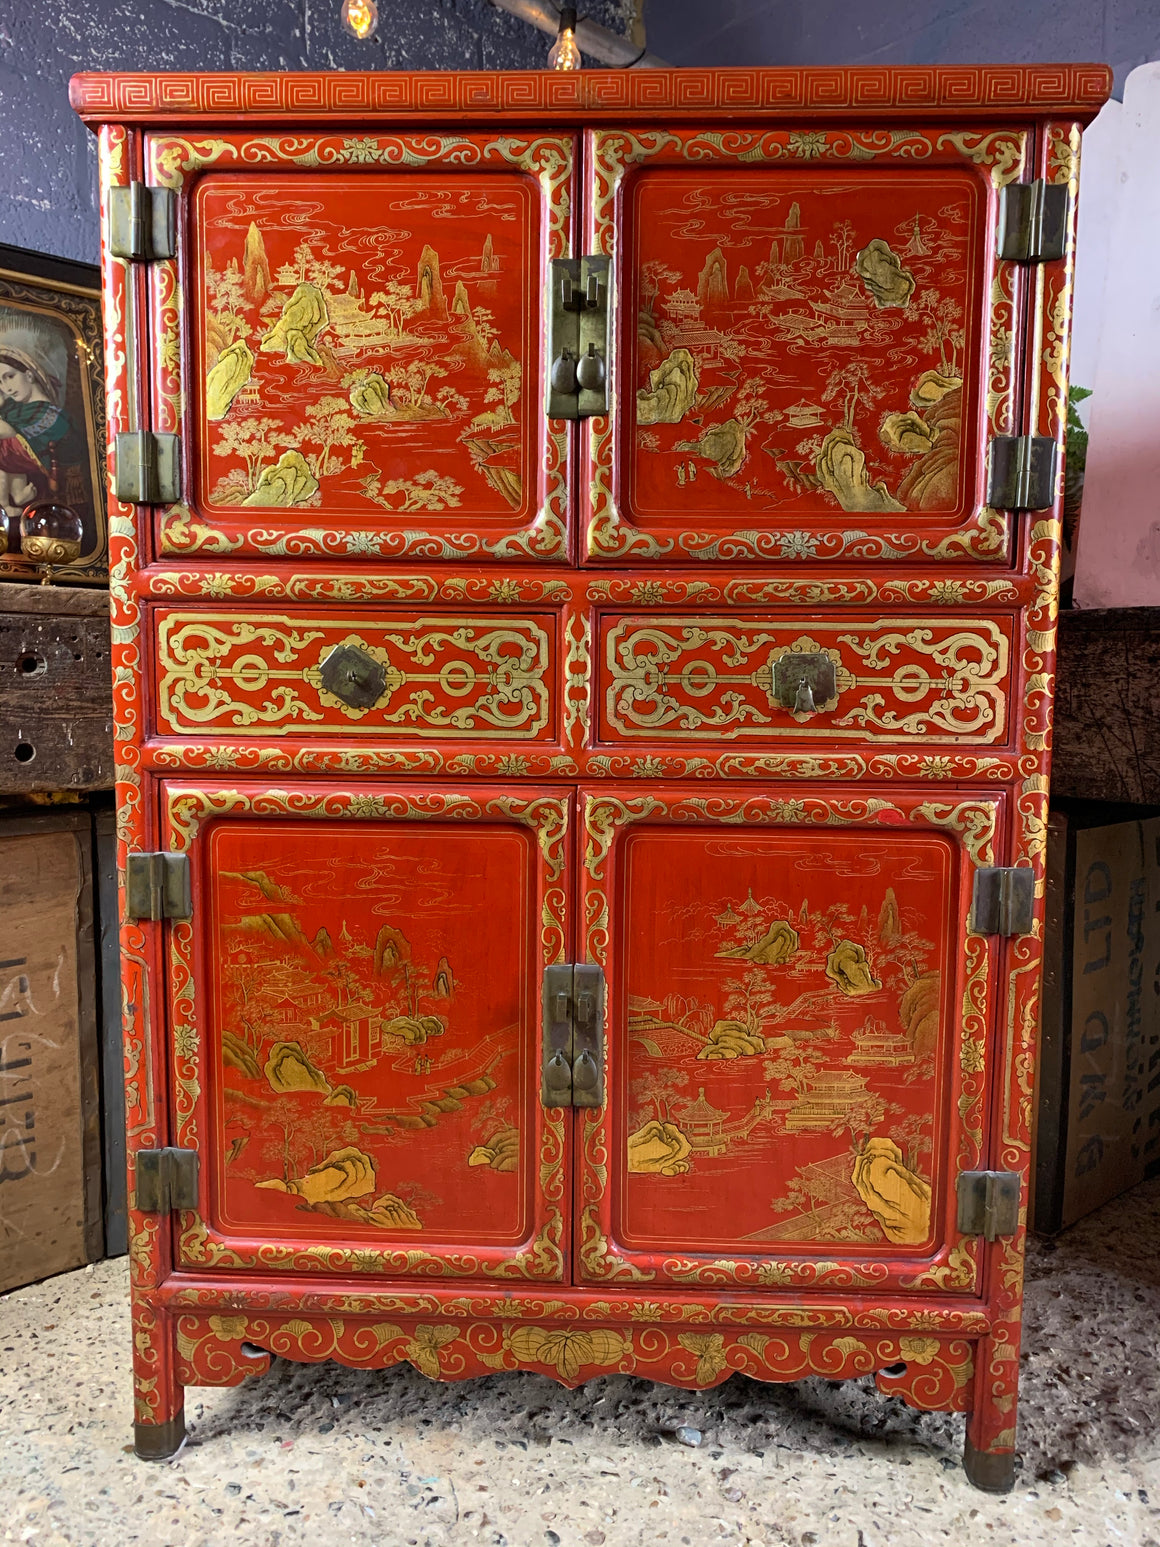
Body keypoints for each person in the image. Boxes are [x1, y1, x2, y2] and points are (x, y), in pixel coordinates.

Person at [0, 348, 72, 521]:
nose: (7, 388)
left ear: (29, 375)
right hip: (14, 461)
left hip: (36, 458)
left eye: (10, 376)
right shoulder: (13, 407)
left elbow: (14, 434)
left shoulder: (50, 414)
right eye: (0, 383)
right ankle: (15, 494)